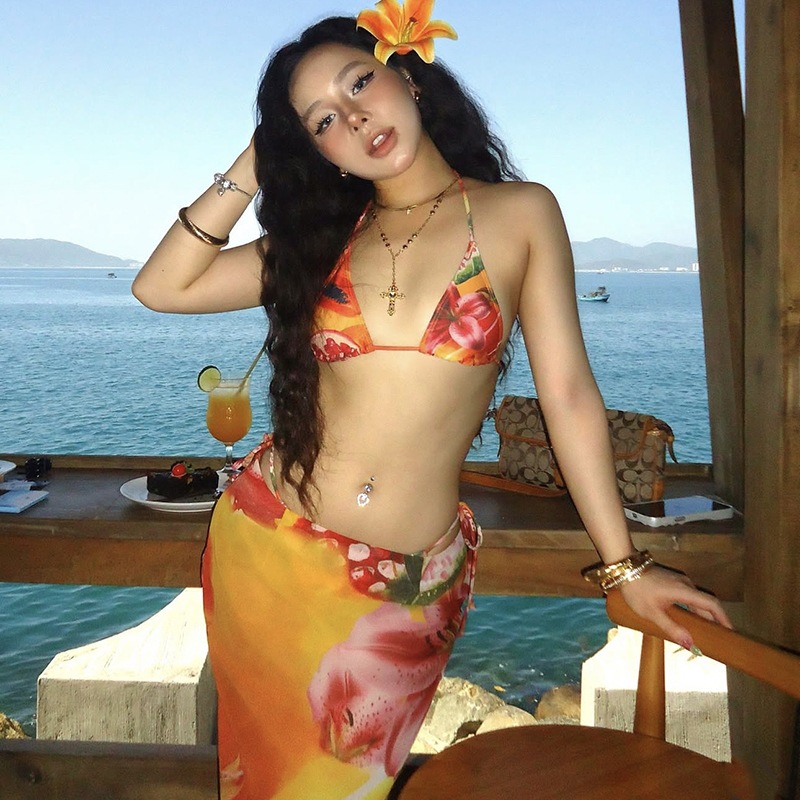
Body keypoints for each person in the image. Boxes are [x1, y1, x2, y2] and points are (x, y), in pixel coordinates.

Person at [132, 5, 731, 798]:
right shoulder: (319, 241)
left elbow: (568, 395)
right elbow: (161, 287)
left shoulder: (520, 213)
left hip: (402, 590)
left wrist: (623, 568)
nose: (353, 118)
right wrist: (255, 160)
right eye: (322, 121)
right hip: (271, 552)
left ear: (408, 78)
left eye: (358, 84)